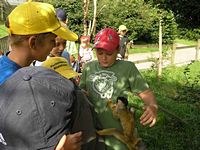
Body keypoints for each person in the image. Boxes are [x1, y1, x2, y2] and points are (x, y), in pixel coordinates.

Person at [0, 1, 81, 149]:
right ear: (33, 42)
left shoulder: (14, 70)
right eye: (52, 41)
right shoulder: (8, 82)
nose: (54, 47)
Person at [79, 28, 158, 150]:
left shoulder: (127, 68)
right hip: (94, 133)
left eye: (109, 54)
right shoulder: (89, 67)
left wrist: (152, 106)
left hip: (119, 136)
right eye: (100, 53)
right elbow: (82, 91)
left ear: (117, 50)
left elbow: (145, 92)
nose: (104, 58)